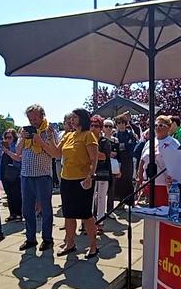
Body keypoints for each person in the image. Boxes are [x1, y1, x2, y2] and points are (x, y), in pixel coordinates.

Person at [57, 108, 99, 258]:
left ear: (82, 118)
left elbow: (94, 159)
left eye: (74, 117)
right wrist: (47, 139)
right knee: (68, 214)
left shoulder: (89, 135)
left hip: (83, 180)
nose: (71, 120)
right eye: (71, 118)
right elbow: (56, 153)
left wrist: (90, 175)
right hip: (66, 179)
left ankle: (93, 246)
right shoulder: (68, 135)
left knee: (85, 214)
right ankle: (70, 243)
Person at [17, 104, 60, 251]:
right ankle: (30, 238)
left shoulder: (49, 131)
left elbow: (55, 154)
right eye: (30, 118)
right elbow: (18, 152)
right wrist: (23, 138)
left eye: (35, 117)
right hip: (26, 175)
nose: (32, 121)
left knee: (46, 209)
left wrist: (40, 141)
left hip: (43, 176)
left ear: (42, 116)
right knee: (27, 209)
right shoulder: (24, 131)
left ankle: (47, 239)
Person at [136, 115, 180, 206]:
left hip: (165, 185)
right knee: (149, 213)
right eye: (156, 125)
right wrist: (139, 177)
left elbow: (179, 163)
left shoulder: (174, 143)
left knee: (162, 211)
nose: (157, 128)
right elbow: (142, 160)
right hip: (149, 183)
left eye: (161, 125)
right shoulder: (150, 142)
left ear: (169, 127)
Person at [91, 116, 112, 233]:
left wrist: (91, 152)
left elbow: (104, 156)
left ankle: (100, 222)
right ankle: (88, 222)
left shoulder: (105, 142)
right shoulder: (87, 140)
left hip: (103, 172)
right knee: (90, 197)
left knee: (101, 197)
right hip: (90, 171)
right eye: (92, 125)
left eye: (97, 126)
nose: (94, 128)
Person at [112, 113, 137, 206]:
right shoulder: (114, 135)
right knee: (119, 181)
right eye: (119, 123)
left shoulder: (130, 134)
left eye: (123, 122)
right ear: (116, 124)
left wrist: (127, 154)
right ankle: (120, 201)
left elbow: (133, 146)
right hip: (118, 161)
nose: (121, 124)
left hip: (127, 160)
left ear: (126, 123)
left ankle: (130, 202)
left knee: (128, 180)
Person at [0, 129, 23, 222]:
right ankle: (12, 214)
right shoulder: (2, 147)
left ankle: (18, 214)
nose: (7, 139)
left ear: (14, 138)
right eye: (6, 137)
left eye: (9, 137)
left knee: (16, 194)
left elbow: (18, 158)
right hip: (4, 172)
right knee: (9, 195)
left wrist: (7, 151)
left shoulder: (15, 146)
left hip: (14, 172)